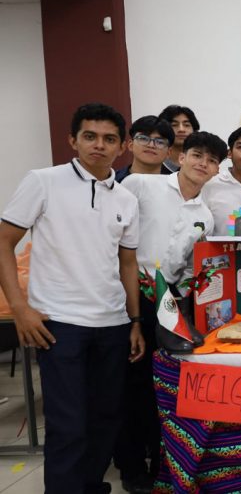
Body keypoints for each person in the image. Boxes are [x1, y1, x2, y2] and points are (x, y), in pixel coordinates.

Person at [0, 103, 144, 494]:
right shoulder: (43, 181)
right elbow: (4, 243)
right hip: (60, 323)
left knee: (106, 419)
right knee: (68, 425)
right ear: (73, 140)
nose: (99, 145)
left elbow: (127, 264)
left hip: (112, 324)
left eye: (109, 139)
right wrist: (20, 309)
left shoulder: (126, 199)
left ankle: (88, 486)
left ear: (122, 146)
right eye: (90, 136)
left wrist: (133, 322)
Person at [115, 131, 223, 492]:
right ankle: (131, 468)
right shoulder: (142, 185)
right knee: (131, 386)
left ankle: (165, 463)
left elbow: (193, 269)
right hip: (130, 295)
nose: (201, 164)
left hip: (172, 306)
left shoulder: (205, 216)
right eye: (196, 155)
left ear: (215, 169)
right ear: (182, 156)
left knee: (164, 386)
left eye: (209, 160)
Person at [114, 115, 175, 182]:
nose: (151, 145)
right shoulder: (111, 181)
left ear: (169, 152)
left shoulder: (177, 187)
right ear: (131, 145)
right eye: (143, 138)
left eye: (160, 142)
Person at [158, 104, 200, 172]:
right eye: (174, 125)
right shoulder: (154, 165)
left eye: (186, 125)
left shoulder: (200, 166)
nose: (181, 129)